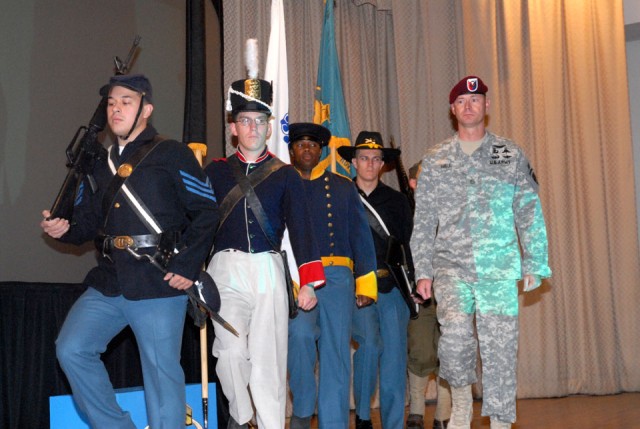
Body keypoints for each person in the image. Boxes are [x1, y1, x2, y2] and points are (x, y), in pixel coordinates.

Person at [40, 74, 219, 429]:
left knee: (160, 372)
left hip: (158, 277)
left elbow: (206, 211)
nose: (116, 108)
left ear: (146, 110)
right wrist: (65, 230)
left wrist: (186, 264)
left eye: (126, 101)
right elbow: (88, 223)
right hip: (109, 280)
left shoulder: (172, 153)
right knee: (72, 348)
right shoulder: (100, 163)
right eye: (110, 103)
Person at [411, 76, 552, 429]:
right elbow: (424, 220)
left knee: (500, 350)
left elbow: (528, 209)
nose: (469, 106)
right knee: (455, 337)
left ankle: (501, 423)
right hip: (451, 268)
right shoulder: (436, 159)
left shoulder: (509, 154)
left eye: (475, 99)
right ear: (452, 110)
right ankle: (460, 404)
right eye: (461, 101)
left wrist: (535, 261)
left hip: (499, 268)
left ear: (486, 106)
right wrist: (423, 271)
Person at [204, 79, 326, 428]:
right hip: (224, 269)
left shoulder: (286, 175)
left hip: (269, 271)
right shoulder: (214, 171)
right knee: (228, 352)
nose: (253, 128)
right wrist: (192, 270)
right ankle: (241, 417)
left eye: (260, 121)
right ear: (233, 127)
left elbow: (302, 228)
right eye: (245, 120)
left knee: (268, 362)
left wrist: (308, 283)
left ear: (270, 126)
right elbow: (198, 224)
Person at [286, 123, 377, 429]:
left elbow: (360, 235)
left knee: (336, 353)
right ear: (291, 150)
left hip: (337, 277)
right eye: (301, 145)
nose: (307, 149)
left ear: (321, 151)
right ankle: (302, 407)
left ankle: (333, 424)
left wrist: (365, 282)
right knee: (298, 336)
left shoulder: (341, 186)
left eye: (313, 145)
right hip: (297, 276)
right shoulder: (282, 186)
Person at [338, 131, 413, 429]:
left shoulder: (397, 201)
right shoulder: (341, 198)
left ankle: (394, 423)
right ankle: (365, 417)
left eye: (376, 159)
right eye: (364, 158)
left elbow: (410, 245)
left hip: (392, 286)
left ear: (383, 164)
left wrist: (417, 283)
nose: (370, 164)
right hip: (357, 288)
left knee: (395, 358)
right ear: (354, 162)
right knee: (369, 345)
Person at [406, 161, 451, 429]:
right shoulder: (403, 210)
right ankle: (417, 411)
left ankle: (444, 414)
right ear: (413, 183)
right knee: (421, 353)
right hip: (419, 294)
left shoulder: (452, 208)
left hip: (450, 293)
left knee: (450, 353)